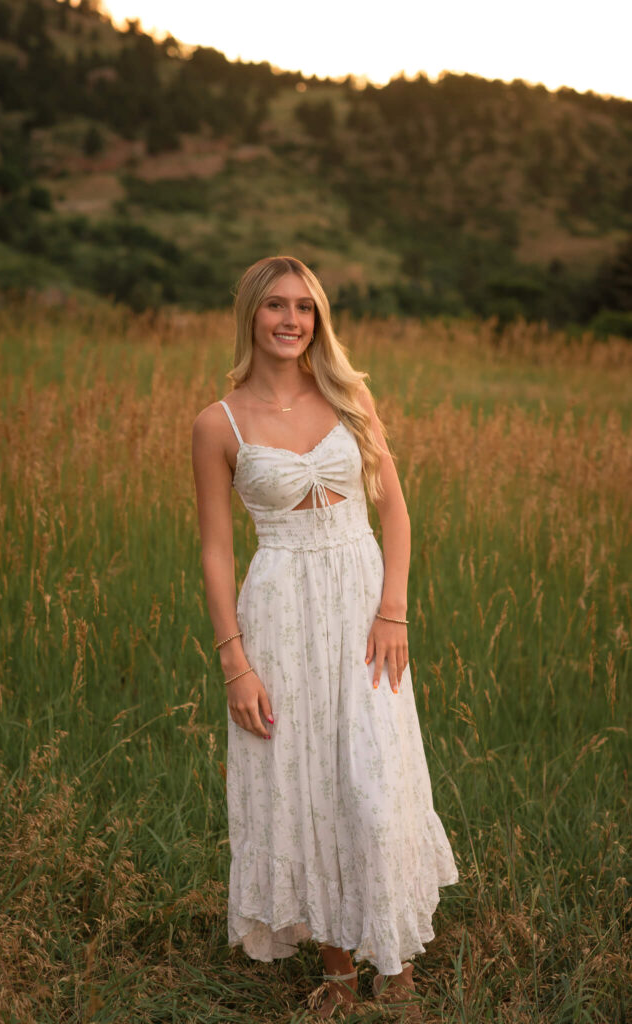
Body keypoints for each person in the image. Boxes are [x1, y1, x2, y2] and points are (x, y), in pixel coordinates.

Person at [191, 255, 458, 1019]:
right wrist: (234, 663)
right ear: (250, 314)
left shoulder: (349, 397)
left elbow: (395, 511)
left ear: (319, 320)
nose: (290, 320)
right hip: (278, 612)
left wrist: (394, 610)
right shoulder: (220, 423)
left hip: (363, 611)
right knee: (303, 782)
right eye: (275, 305)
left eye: (304, 308)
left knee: (375, 779)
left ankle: (395, 957)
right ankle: (340, 970)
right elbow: (214, 549)